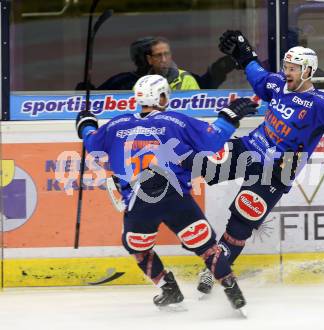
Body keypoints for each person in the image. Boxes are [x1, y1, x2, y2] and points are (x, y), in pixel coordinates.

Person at [183, 30, 324, 295]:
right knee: (200, 163)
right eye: (286, 67)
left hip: (281, 169)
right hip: (251, 147)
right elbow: (260, 79)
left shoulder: (321, 104)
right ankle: (147, 190)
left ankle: (213, 269)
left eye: (293, 69)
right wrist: (245, 55)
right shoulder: (279, 83)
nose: (287, 72)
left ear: (308, 71)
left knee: (243, 218)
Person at [75, 74, 258, 310]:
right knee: (205, 246)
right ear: (160, 96)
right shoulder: (174, 121)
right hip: (175, 198)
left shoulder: (115, 125)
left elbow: (91, 143)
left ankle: (168, 288)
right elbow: (212, 140)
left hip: (139, 203)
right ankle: (233, 290)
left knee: (137, 247)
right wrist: (229, 116)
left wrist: (86, 122)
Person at [97, 37, 236, 90]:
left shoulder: (185, 79)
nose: (163, 59)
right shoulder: (128, 82)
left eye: (166, 54)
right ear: (149, 59)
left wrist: (220, 69)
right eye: (158, 55)